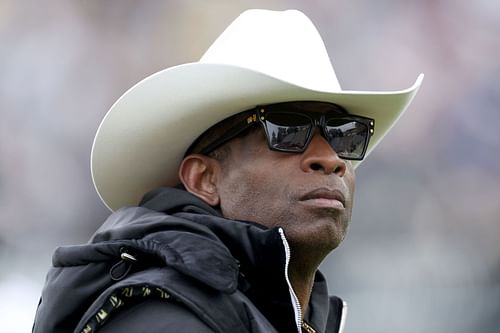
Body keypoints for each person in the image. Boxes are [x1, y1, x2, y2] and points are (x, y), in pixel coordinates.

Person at [32, 9, 423, 333]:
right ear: (205, 179)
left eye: (343, 135)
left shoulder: (254, 314)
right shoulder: (165, 321)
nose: (331, 158)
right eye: (287, 131)